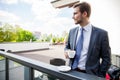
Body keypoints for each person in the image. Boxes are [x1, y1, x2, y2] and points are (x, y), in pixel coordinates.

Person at [64, 2, 111, 78]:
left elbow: (107, 59)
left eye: (75, 13)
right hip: (72, 72)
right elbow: (67, 46)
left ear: (84, 14)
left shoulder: (101, 34)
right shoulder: (72, 31)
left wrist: (100, 76)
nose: (72, 17)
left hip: (90, 75)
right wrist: (66, 51)